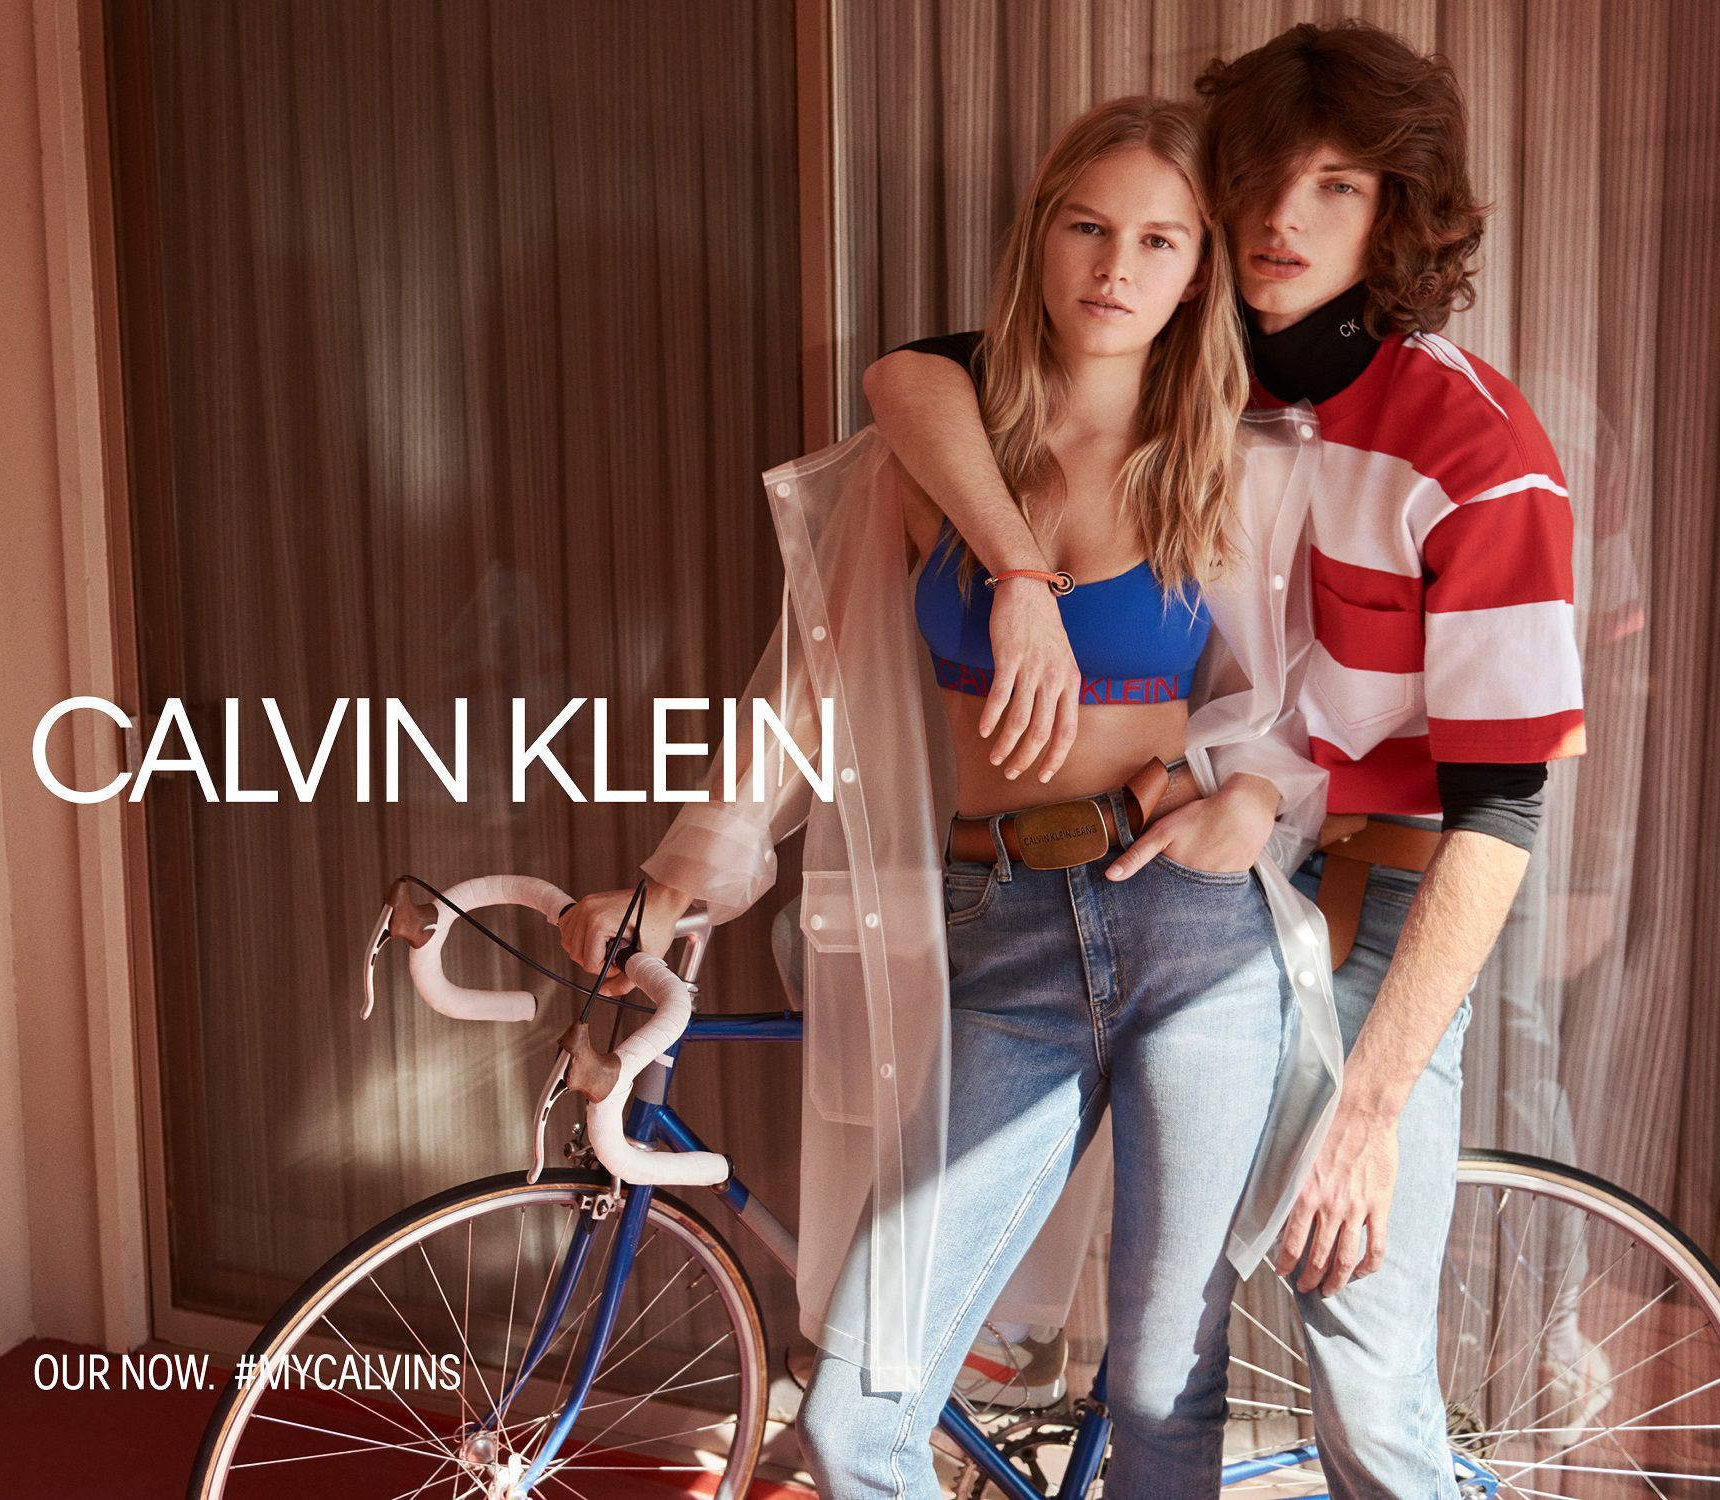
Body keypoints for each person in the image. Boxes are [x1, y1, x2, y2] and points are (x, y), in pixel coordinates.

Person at [560, 96, 1342, 1498]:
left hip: (1190, 929)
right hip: (1001, 925)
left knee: (1162, 1394)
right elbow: (804, 692)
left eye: (1159, 241)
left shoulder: (1241, 465)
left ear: (1199, 273)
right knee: (858, 1419)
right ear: (1038, 238)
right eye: (1087, 227)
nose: (1116, 266)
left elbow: (1318, 705)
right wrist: (672, 890)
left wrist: (1258, 799)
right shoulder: (930, 462)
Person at [862, 21, 1585, 1498]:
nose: (1282, 222)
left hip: (1382, 894)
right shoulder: (1199, 363)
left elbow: (1503, 808)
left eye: (1339, 188)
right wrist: (1020, 577)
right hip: (1191, 878)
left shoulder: (1477, 449)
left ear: (1397, 215)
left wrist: (1369, 1111)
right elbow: (928, 372)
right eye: (1260, 179)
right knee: (1153, 1358)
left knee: (1358, 1357)